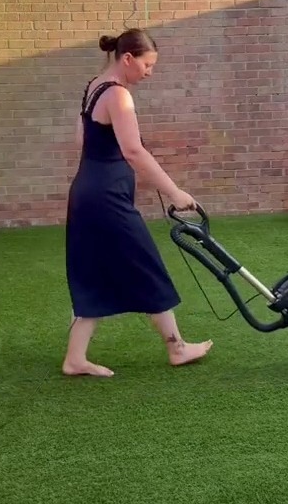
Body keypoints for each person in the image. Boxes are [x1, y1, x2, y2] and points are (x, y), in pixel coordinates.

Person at [63, 27, 213, 378]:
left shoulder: (93, 87)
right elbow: (133, 150)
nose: (150, 72)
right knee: (146, 264)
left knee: (92, 273)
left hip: (86, 192)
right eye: (147, 65)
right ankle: (176, 348)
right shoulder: (118, 95)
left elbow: (80, 139)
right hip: (106, 200)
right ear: (127, 58)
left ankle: (75, 359)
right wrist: (175, 192)